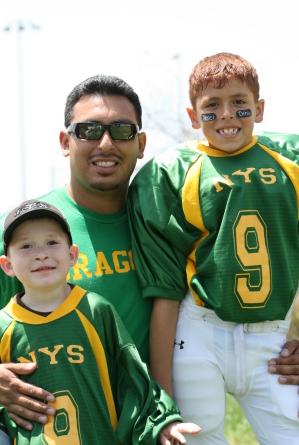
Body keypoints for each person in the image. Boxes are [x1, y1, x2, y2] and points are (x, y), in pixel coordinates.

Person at [0, 73, 298, 441]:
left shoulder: (173, 212)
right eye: (89, 131)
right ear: (66, 141)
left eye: (122, 131)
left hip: (151, 425)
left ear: (141, 143)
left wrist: (283, 341)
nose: (105, 143)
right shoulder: (24, 236)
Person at [128, 52, 299, 443]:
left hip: (272, 338)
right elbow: (166, 292)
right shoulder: (170, 173)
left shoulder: (290, 160)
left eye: (240, 103)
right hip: (199, 330)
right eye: (212, 107)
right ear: (193, 117)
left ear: (259, 108)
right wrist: (162, 399)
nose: (226, 115)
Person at [0, 199, 200, 444]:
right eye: (26, 246)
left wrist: (160, 423)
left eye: (52, 242)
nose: (41, 254)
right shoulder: (4, 326)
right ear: (7, 265)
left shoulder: (97, 310)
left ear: (73, 254)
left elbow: (131, 379)